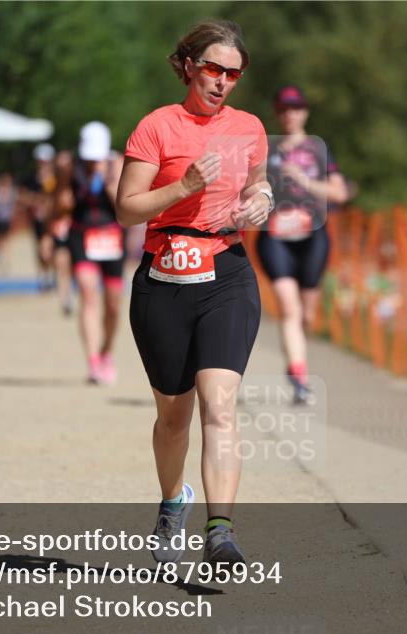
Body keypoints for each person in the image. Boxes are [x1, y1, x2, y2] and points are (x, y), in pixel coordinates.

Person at [116, 20, 272, 568]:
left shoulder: (249, 128)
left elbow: (256, 183)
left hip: (226, 273)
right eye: (213, 69)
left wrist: (262, 199)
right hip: (164, 278)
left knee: (220, 406)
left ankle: (221, 533)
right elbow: (127, 207)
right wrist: (182, 187)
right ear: (188, 66)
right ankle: (170, 502)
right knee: (174, 416)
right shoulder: (158, 126)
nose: (223, 81)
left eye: (234, 73)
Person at [256, 85, 349, 405]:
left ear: (305, 112)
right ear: (277, 113)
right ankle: (300, 375)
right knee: (289, 307)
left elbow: (339, 193)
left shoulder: (318, 150)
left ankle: (297, 359)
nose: (289, 114)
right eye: (283, 109)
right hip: (275, 236)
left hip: (313, 236)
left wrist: (305, 181)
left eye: (295, 108)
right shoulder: (266, 149)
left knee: (307, 314)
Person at [62, 123, 125, 383]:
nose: (92, 162)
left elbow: (124, 205)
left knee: (112, 304)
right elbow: (60, 203)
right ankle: (93, 362)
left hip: (111, 237)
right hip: (82, 235)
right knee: (88, 295)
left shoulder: (117, 164)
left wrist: (107, 180)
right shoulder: (72, 167)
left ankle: (106, 351)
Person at [22, 143, 57, 290]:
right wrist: (35, 200)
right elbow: (22, 196)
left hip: (54, 219)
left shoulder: (56, 178)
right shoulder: (31, 178)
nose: (43, 164)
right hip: (38, 220)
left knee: (53, 248)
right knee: (40, 249)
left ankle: (54, 276)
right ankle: (44, 277)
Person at [50, 149, 76, 315]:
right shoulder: (52, 187)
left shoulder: (79, 185)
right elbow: (49, 212)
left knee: (74, 267)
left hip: (76, 231)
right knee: (61, 265)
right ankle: (65, 299)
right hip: (59, 232)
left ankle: (71, 293)